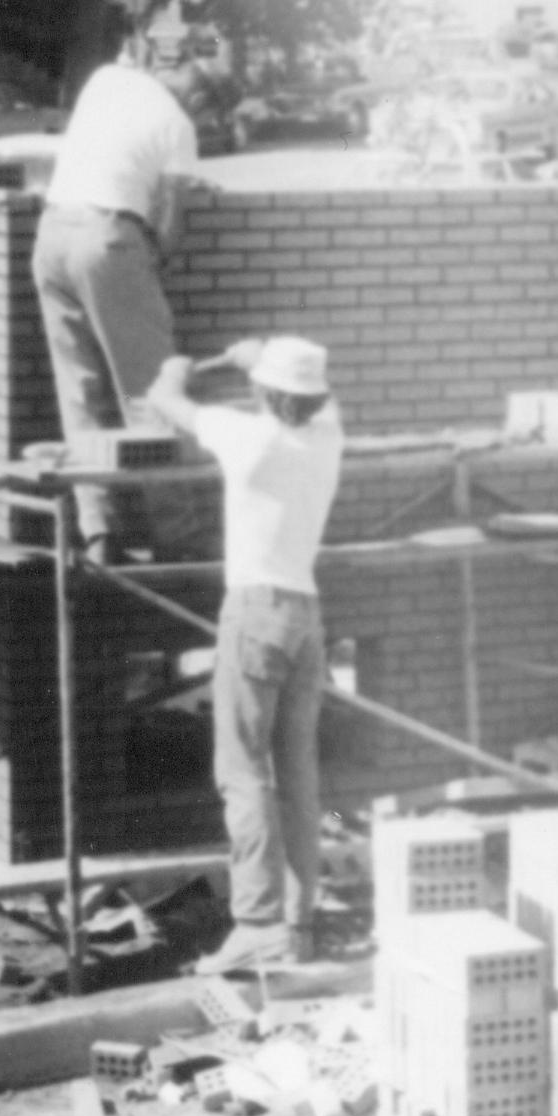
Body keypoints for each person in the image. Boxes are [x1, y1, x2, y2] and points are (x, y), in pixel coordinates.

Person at [144, 336, 345, 973]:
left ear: (263, 391)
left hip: (256, 612)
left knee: (243, 770)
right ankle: (297, 923)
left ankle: (257, 923)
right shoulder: (327, 437)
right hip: (307, 616)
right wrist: (258, 358)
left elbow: (163, 398)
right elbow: (323, 398)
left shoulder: (247, 437)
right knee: (298, 773)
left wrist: (179, 366)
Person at [32, 8, 202, 556]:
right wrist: (145, 262)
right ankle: (176, 534)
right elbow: (171, 229)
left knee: (80, 394)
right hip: (107, 240)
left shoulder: (105, 80)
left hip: (52, 235)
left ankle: (98, 530)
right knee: (150, 394)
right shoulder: (178, 125)